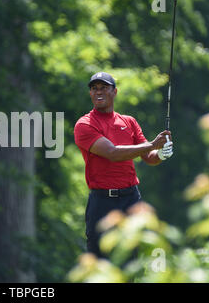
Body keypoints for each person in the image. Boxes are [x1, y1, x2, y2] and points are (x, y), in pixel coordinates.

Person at [74, 72, 173, 257]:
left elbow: (149, 157)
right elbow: (112, 153)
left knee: (131, 259)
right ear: (90, 94)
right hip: (102, 201)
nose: (98, 92)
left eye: (104, 88)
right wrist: (153, 144)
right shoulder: (85, 124)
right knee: (100, 260)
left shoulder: (129, 122)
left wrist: (161, 153)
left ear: (115, 91)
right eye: (94, 89)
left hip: (131, 199)